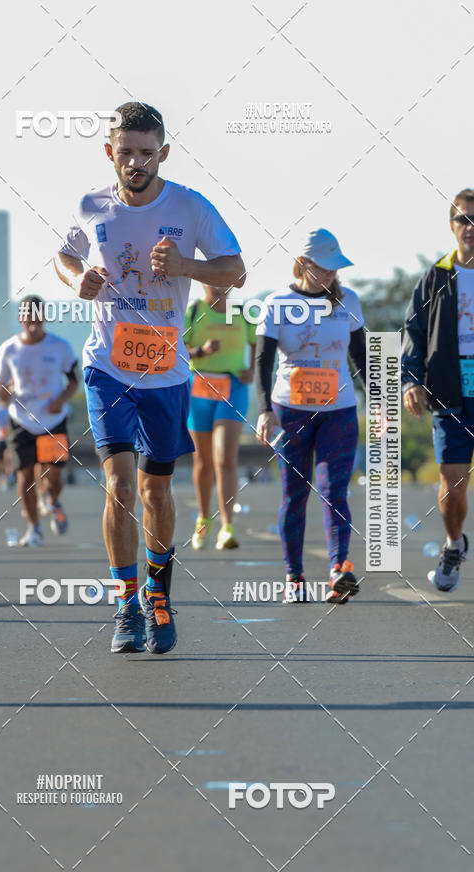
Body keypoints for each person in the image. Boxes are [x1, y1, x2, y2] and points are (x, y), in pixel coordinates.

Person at [54, 101, 245, 654]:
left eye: (146, 152)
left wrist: (186, 267)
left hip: (166, 371)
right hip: (107, 367)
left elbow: (234, 267)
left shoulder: (190, 206)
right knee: (118, 485)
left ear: (163, 153)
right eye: (126, 152)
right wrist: (77, 281)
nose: (135, 162)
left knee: (155, 489)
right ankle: (126, 607)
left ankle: (159, 592)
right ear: (109, 151)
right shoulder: (91, 204)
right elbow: (65, 256)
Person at [254, 229, 366, 603]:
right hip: (292, 411)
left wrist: (379, 403)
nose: (332, 274)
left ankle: (338, 570)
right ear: (304, 264)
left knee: (335, 491)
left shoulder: (348, 300)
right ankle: (294, 577)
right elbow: (263, 360)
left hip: (339, 411)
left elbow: (362, 357)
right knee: (295, 494)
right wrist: (265, 411)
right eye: (325, 267)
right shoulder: (277, 303)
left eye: (336, 267)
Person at [402, 188, 474, 592]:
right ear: (452, 226)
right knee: (452, 479)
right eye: (463, 219)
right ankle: (453, 543)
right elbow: (413, 332)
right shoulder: (435, 276)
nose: (470, 228)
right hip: (450, 386)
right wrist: (411, 380)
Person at [0, 296, 79, 546]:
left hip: (53, 420)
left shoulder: (59, 346)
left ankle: (51, 500)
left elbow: (73, 380)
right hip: (21, 420)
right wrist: (2, 392)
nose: (32, 319)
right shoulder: (9, 349)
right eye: (27, 314)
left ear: (44, 316)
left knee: (54, 477)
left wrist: (61, 399)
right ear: (20, 318)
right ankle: (34, 527)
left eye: (37, 314)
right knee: (24, 476)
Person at [184, 284, 256, 550]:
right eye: (212, 280)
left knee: (225, 457)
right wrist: (201, 351)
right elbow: (175, 351)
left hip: (233, 386)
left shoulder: (243, 311)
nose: (218, 286)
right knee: (203, 462)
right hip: (199, 387)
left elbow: (257, 343)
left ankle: (227, 526)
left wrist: (252, 369)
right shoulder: (193, 311)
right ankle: (203, 519)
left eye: (224, 280)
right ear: (203, 282)